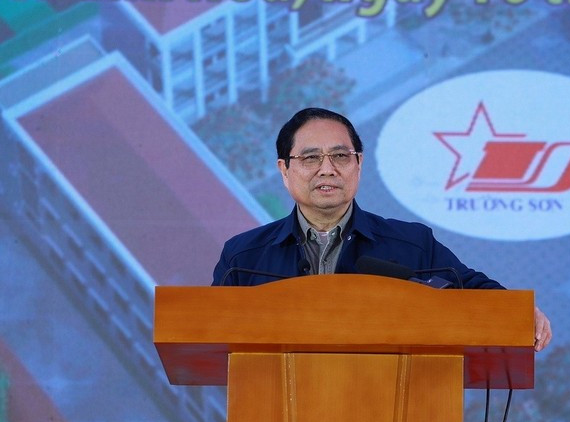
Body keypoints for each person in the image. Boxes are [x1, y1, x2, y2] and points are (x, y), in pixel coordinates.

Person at [212, 107, 552, 351]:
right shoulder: (245, 256)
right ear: (284, 170)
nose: (327, 169)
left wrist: (518, 313)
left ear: (359, 165)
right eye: (311, 158)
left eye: (341, 157)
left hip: (388, 417)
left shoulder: (410, 245)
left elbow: (473, 291)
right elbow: (208, 330)